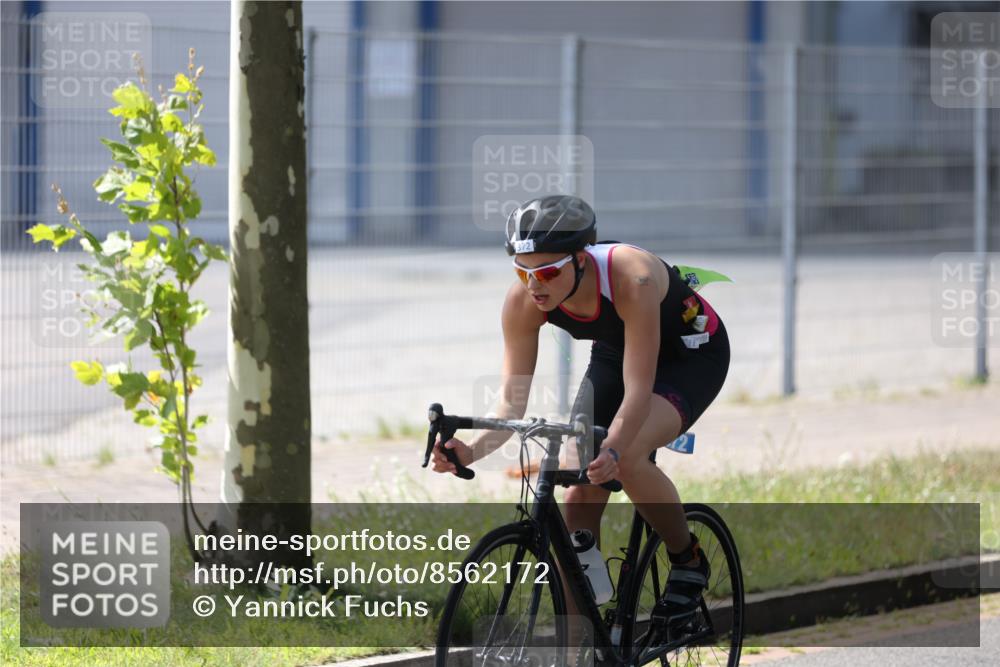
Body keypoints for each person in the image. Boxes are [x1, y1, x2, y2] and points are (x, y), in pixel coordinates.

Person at [430, 194, 730, 630]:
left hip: (689, 354)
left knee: (624, 456)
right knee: (577, 494)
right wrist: (470, 451)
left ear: (582, 260)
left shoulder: (634, 277)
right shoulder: (522, 303)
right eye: (522, 270)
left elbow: (639, 391)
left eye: (549, 272)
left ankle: (688, 559)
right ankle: (581, 646)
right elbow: (512, 403)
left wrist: (615, 448)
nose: (535, 285)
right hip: (617, 351)